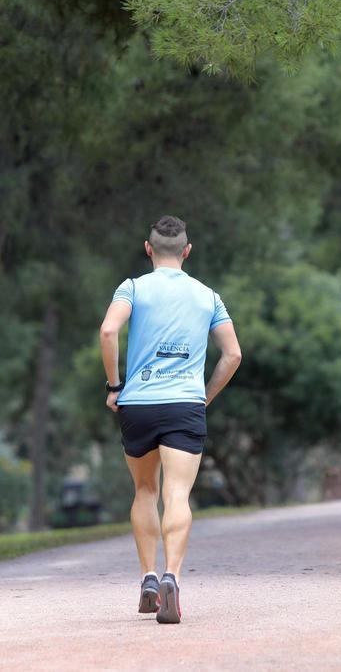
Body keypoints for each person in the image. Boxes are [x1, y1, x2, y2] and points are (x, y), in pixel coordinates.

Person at [98, 215, 242, 624]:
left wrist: (114, 386)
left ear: (148, 249)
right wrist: (205, 396)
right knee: (177, 495)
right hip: (185, 405)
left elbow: (109, 332)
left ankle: (146, 578)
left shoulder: (132, 288)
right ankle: (171, 580)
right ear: (187, 251)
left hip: (139, 404)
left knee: (145, 490)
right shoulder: (208, 296)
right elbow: (233, 355)